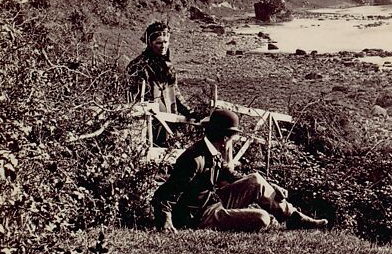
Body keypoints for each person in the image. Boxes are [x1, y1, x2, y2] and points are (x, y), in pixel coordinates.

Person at [151, 108, 328, 232]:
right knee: (262, 218)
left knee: (256, 180)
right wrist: (166, 221)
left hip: (213, 202)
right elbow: (164, 195)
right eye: (233, 139)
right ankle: (286, 217)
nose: (233, 143)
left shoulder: (212, 151)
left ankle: (294, 217)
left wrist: (271, 187)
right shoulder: (194, 159)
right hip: (198, 216)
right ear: (225, 138)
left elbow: (234, 177)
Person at [127, 21, 194, 128]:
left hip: (169, 119)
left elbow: (175, 92)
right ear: (150, 43)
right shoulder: (137, 66)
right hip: (147, 121)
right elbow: (133, 97)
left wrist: (188, 111)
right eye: (158, 43)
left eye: (166, 42)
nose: (163, 46)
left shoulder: (168, 66)